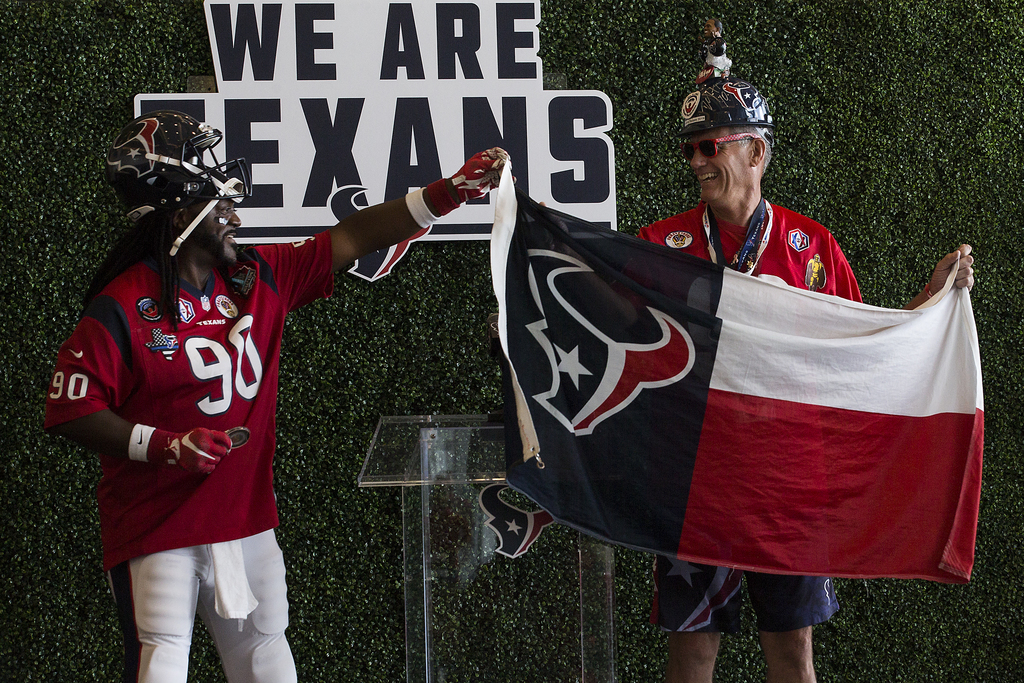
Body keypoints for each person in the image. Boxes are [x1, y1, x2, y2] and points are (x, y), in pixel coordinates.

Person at [43, 109, 507, 683]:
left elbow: (353, 235)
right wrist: (166, 446)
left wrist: (446, 194)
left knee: (268, 664)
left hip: (246, 523)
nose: (235, 216)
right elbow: (71, 409)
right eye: (221, 204)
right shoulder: (123, 304)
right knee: (160, 667)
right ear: (183, 215)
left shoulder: (258, 277)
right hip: (158, 529)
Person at [637, 26, 974, 683]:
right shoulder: (660, 245)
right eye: (689, 152)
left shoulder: (811, 249)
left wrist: (928, 302)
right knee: (692, 654)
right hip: (694, 485)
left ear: (756, 150)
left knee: (792, 654)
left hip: (786, 487)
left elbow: (863, 351)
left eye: (710, 147)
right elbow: (607, 330)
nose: (698, 163)